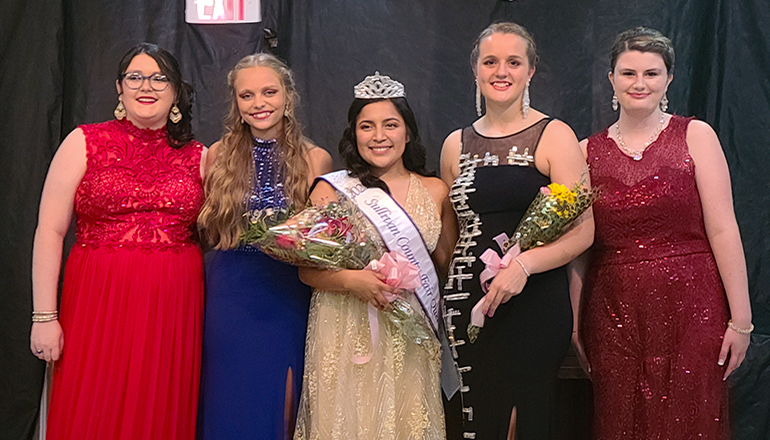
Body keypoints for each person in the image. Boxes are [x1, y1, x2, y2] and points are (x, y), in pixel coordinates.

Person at [571, 27, 752, 440]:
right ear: (611, 79)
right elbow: (579, 248)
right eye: (628, 72)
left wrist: (741, 320)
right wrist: (576, 325)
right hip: (613, 310)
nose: (639, 83)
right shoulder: (583, 151)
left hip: (694, 307)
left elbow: (723, 228)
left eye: (651, 73)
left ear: (668, 79)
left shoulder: (696, 135)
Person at [30, 43, 205, 439]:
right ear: (119, 89)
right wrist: (44, 317)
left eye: (160, 78)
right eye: (136, 77)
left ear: (176, 92)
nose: (148, 86)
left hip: (172, 306)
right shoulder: (83, 142)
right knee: (91, 405)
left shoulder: (202, 156)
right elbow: (50, 231)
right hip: (96, 300)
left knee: (158, 410)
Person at [440, 22, 595, 439]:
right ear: (475, 70)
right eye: (490, 62)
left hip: (534, 301)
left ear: (530, 71)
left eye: (513, 62)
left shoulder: (555, 135)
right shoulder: (455, 144)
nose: (501, 71)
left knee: (522, 415)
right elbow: (452, 234)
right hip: (466, 300)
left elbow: (583, 232)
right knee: (479, 416)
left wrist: (524, 266)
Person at [293, 72, 455, 440]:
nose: (379, 136)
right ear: (354, 135)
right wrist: (354, 281)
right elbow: (307, 270)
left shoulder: (435, 192)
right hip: (343, 329)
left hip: (409, 334)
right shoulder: (330, 190)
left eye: (390, 125)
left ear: (408, 132)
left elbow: (447, 265)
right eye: (367, 126)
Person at [196, 53, 332, 440]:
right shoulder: (217, 156)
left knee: (280, 398)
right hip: (230, 293)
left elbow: (320, 238)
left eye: (269, 92)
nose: (259, 104)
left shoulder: (314, 159)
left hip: (286, 292)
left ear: (288, 97)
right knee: (228, 394)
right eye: (247, 95)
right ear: (235, 104)